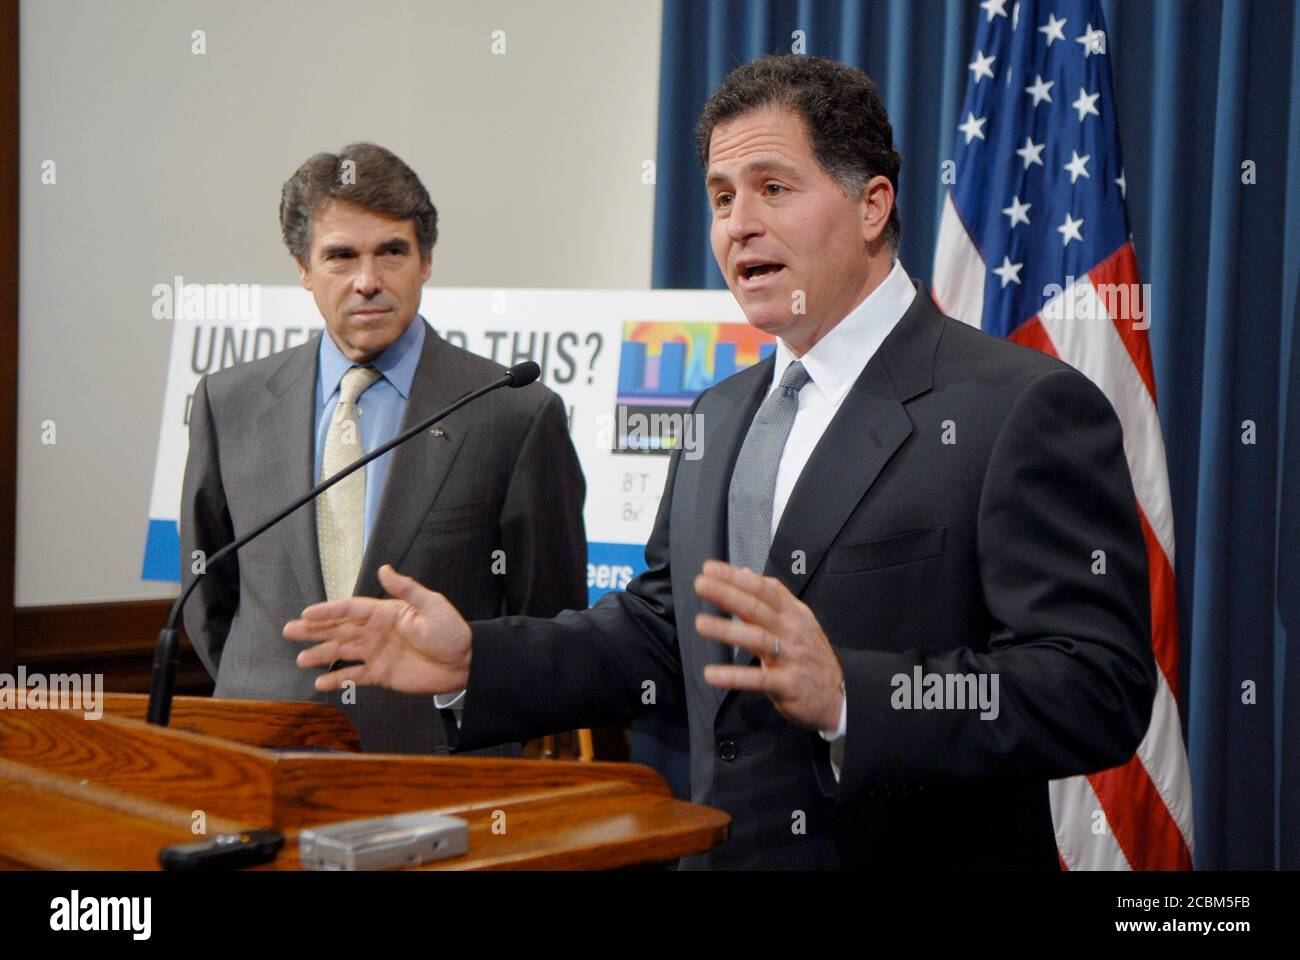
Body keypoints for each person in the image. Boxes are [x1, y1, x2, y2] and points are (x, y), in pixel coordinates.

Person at [286, 59, 1156, 867]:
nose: (739, 224)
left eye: (773, 188)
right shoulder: (721, 412)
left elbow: (1094, 687)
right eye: (721, 196)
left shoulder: (1019, 407)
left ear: (872, 205)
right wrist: (479, 658)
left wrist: (855, 693)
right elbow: (662, 633)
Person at [182, 142, 587, 755]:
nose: (368, 281)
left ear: (425, 261)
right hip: (261, 752)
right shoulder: (228, 403)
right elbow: (207, 593)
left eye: (391, 252)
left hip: (438, 763)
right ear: (303, 267)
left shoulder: (513, 412)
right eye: (341, 256)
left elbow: (545, 620)